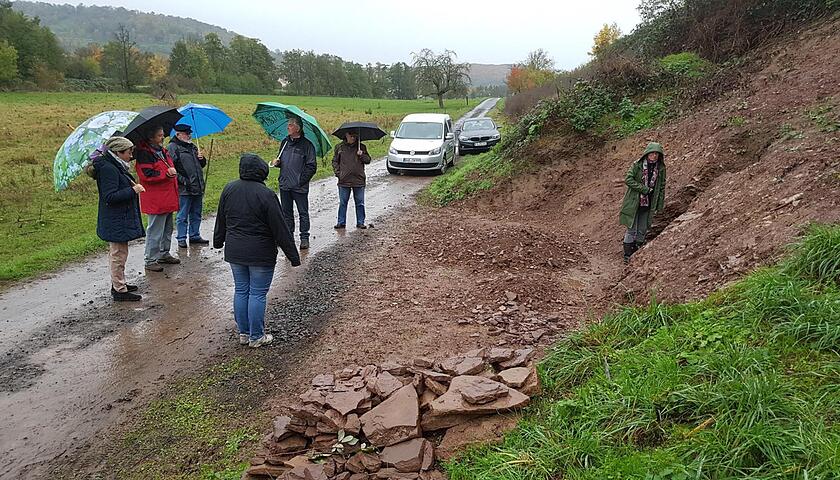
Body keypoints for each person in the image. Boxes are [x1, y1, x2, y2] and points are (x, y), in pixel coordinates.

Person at [214, 153, 301, 348]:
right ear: (262, 171)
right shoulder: (266, 194)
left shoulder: (229, 189)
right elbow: (280, 228)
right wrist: (293, 256)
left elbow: (221, 219)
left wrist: (218, 241)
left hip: (235, 251)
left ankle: (244, 334)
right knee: (257, 294)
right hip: (261, 254)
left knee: (241, 291)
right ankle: (256, 336)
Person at [90, 136, 146, 301]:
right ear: (118, 152)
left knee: (120, 252)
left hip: (119, 218)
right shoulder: (109, 169)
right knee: (118, 254)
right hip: (115, 219)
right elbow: (110, 196)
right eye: (129, 152)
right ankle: (119, 289)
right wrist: (133, 190)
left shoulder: (116, 165)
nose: (131, 155)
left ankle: (119, 283)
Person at [135, 125, 180, 271]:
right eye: (160, 135)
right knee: (155, 230)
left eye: (163, 135)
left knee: (167, 228)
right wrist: (165, 174)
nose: (163, 137)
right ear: (151, 137)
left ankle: (163, 253)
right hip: (156, 199)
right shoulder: (144, 154)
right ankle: (150, 260)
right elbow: (146, 175)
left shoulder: (162, 151)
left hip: (167, 197)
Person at [270, 115, 317, 250]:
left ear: (298, 128)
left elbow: (312, 166)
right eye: (288, 125)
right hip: (285, 185)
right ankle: (288, 238)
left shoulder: (307, 146)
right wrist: (277, 163)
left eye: (290, 125)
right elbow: (282, 161)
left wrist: (300, 181)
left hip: (299, 187)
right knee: (286, 213)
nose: (288, 127)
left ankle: (304, 238)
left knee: (303, 213)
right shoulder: (284, 142)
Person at [619, 142, 667, 264]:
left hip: (649, 204)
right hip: (634, 202)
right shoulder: (637, 165)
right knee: (631, 229)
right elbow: (628, 180)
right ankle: (627, 255)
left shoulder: (660, 169)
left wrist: (659, 206)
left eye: (657, 153)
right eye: (652, 153)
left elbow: (661, 187)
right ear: (647, 153)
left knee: (642, 229)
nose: (654, 156)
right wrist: (644, 189)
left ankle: (637, 252)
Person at [169, 124, 209, 248]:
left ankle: (194, 235)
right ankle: (181, 238)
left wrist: (202, 159)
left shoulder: (192, 146)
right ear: (178, 134)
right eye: (186, 133)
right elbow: (171, 169)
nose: (189, 135)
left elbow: (199, 166)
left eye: (189, 133)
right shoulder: (172, 148)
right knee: (182, 215)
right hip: (184, 189)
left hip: (197, 186)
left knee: (196, 213)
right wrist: (184, 181)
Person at [332, 131, 371, 229]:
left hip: (358, 180)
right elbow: (335, 161)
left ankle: (360, 222)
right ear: (346, 135)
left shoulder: (361, 147)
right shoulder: (339, 147)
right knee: (343, 202)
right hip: (344, 180)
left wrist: (361, 155)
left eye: (355, 136)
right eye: (351, 136)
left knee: (360, 203)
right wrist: (338, 174)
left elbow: (368, 160)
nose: (353, 138)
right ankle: (341, 222)